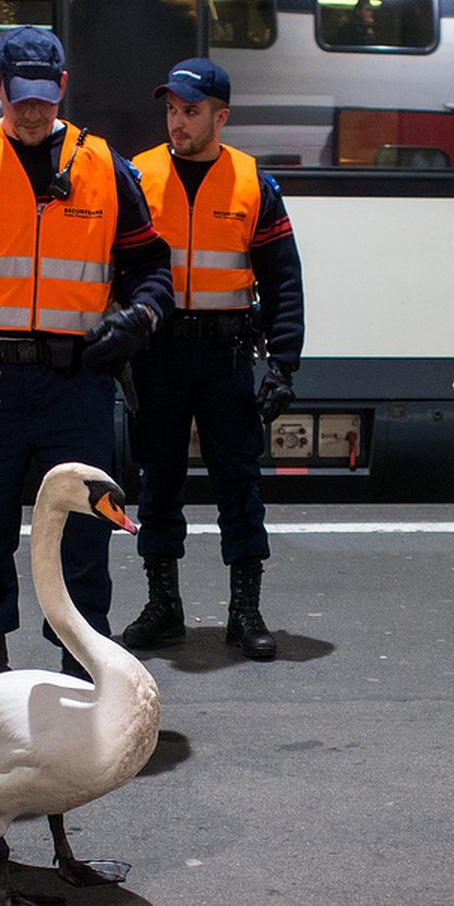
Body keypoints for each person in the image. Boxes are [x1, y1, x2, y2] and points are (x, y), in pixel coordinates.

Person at [0, 25, 173, 684]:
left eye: (44, 98)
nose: (32, 111)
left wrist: (138, 319)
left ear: (62, 90)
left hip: (73, 384)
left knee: (83, 531)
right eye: (19, 97)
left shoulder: (103, 168)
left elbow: (151, 267)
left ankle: (80, 654)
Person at [124, 58, 304, 661]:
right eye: (171, 110)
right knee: (158, 483)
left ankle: (244, 610)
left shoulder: (253, 184)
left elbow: (283, 280)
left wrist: (283, 364)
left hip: (227, 355)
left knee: (239, 483)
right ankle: (163, 605)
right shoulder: (138, 177)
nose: (178, 122)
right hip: (158, 355)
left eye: (191, 111)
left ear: (221, 117)